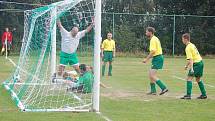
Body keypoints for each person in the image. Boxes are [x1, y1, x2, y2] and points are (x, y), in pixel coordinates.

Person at [180, 33, 207, 99]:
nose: (182, 40)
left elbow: (191, 59)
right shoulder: (192, 45)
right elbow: (192, 57)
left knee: (189, 79)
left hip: (196, 64)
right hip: (200, 62)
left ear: (186, 39)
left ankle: (188, 95)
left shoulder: (188, 47)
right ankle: (204, 95)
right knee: (198, 79)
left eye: (182, 39)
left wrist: (191, 69)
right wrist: (186, 65)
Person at [143, 27, 168, 95]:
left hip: (157, 58)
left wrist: (146, 59)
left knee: (152, 75)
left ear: (150, 32)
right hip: (157, 58)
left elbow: (153, 51)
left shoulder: (153, 40)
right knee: (150, 74)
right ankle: (153, 91)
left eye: (146, 32)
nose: (146, 33)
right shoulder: (154, 38)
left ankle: (164, 88)